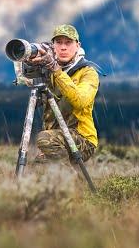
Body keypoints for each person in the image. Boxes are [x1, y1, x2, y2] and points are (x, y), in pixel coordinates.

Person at [27, 24, 103, 164]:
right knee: (38, 169)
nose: (63, 47)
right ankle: (75, 183)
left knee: (44, 139)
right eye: (58, 42)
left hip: (83, 138)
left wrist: (56, 70)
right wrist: (30, 64)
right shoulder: (48, 71)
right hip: (56, 137)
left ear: (78, 45)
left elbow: (80, 101)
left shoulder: (88, 72)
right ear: (53, 45)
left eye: (68, 42)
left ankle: (71, 178)